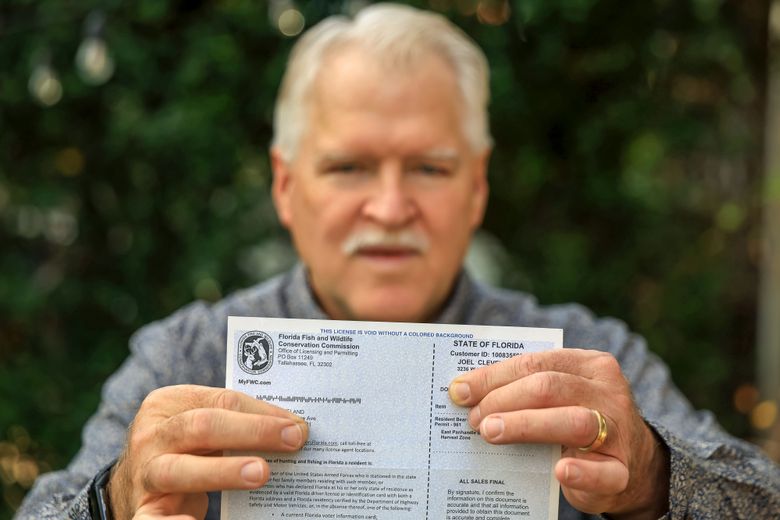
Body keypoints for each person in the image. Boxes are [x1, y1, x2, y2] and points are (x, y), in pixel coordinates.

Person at [16, 4, 780, 520]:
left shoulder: (582, 360)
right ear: (287, 187)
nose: (388, 208)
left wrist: (653, 474)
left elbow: (763, 498)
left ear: (477, 188)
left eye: (431, 168)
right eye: (349, 168)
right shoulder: (185, 355)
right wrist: (115, 498)